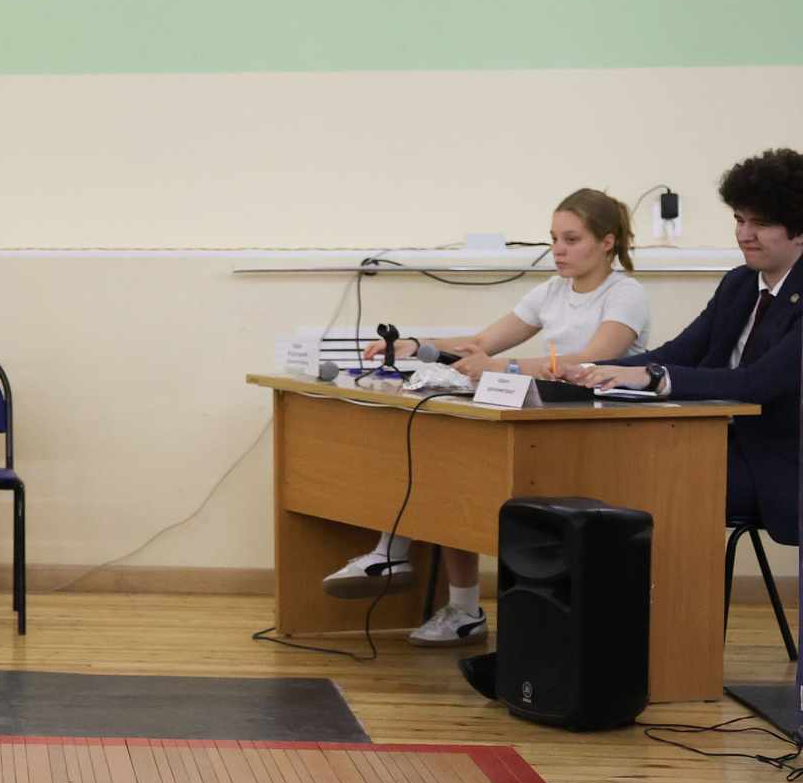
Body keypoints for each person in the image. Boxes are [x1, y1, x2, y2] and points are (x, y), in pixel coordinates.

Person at [329, 188, 651, 644]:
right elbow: (481, 346)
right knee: (446, 456)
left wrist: (505, 367)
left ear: (607, 242)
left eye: (572, 239)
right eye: (554, 238)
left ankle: (393, 554)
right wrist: (417, 347)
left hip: (595, 431)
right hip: (544, 415)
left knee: (464, 472)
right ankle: (451, 601)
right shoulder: (552, 290)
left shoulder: (626, 294)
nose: (558, 250)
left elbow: (586, 367)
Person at [564, 149, 803, 550]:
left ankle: (667, 609)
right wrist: (591, 370)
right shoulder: (739, 284)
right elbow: (679, 352)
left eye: (760, 224)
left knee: (651, 490)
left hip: (778, 464)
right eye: (739, 220)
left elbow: (758, 382)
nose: (744, 234)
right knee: (609, 473)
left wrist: (655, 378)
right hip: (713, 442)